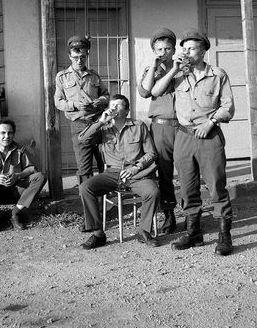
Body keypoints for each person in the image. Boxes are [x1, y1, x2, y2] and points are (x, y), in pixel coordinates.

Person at [152, 29, 235, 256]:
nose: (185, 51)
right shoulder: (179, 75)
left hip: (209, 136)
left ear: (203, 50)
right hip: (184, 137)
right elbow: (155, 90)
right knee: (188, 187)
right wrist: (175, 70)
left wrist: (211, 122)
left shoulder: (218, 75)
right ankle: (194, 232)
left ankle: (224, 236)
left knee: (216, 185)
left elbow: (228, 106)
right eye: (183, 48)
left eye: (191, 47)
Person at [77, 94, 160, 250]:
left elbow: (151, 153)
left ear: (127, 110)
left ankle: (143, 232)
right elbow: (83, 140)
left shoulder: (139, 125)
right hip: (112, 173)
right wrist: (100, 121)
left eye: (119, 105)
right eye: (112, 104)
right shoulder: (103, 127)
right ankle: (98, 234)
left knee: (153, 192)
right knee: (85, 187)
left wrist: (137, 167)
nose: (113, 107)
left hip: (136, 173)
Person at [137, 27, 178, 235]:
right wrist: (153, 67)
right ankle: (169, 214)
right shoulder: (151, 70)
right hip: (161, 126)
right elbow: (144, 92)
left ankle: (191, 213)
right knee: (164, 173)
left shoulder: (182, 67)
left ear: (174, 49)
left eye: (168, 48)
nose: (164, 52)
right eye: (159, 48)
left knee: (190, 171)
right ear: (154, 50)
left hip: (184, 125)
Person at [54, 35, 109, 186]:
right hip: (79, 125)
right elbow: (58, 102)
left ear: (87, 56)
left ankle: (104, 198)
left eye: (83, 57)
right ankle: (89, 202)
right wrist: (75, 105)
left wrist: (100, 101)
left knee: (104, 161)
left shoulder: (94, 75)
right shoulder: (62, 77)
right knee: (84, 167)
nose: (79, 60)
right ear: (69, 56)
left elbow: (106, 95)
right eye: (76, 57)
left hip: (99, 123)